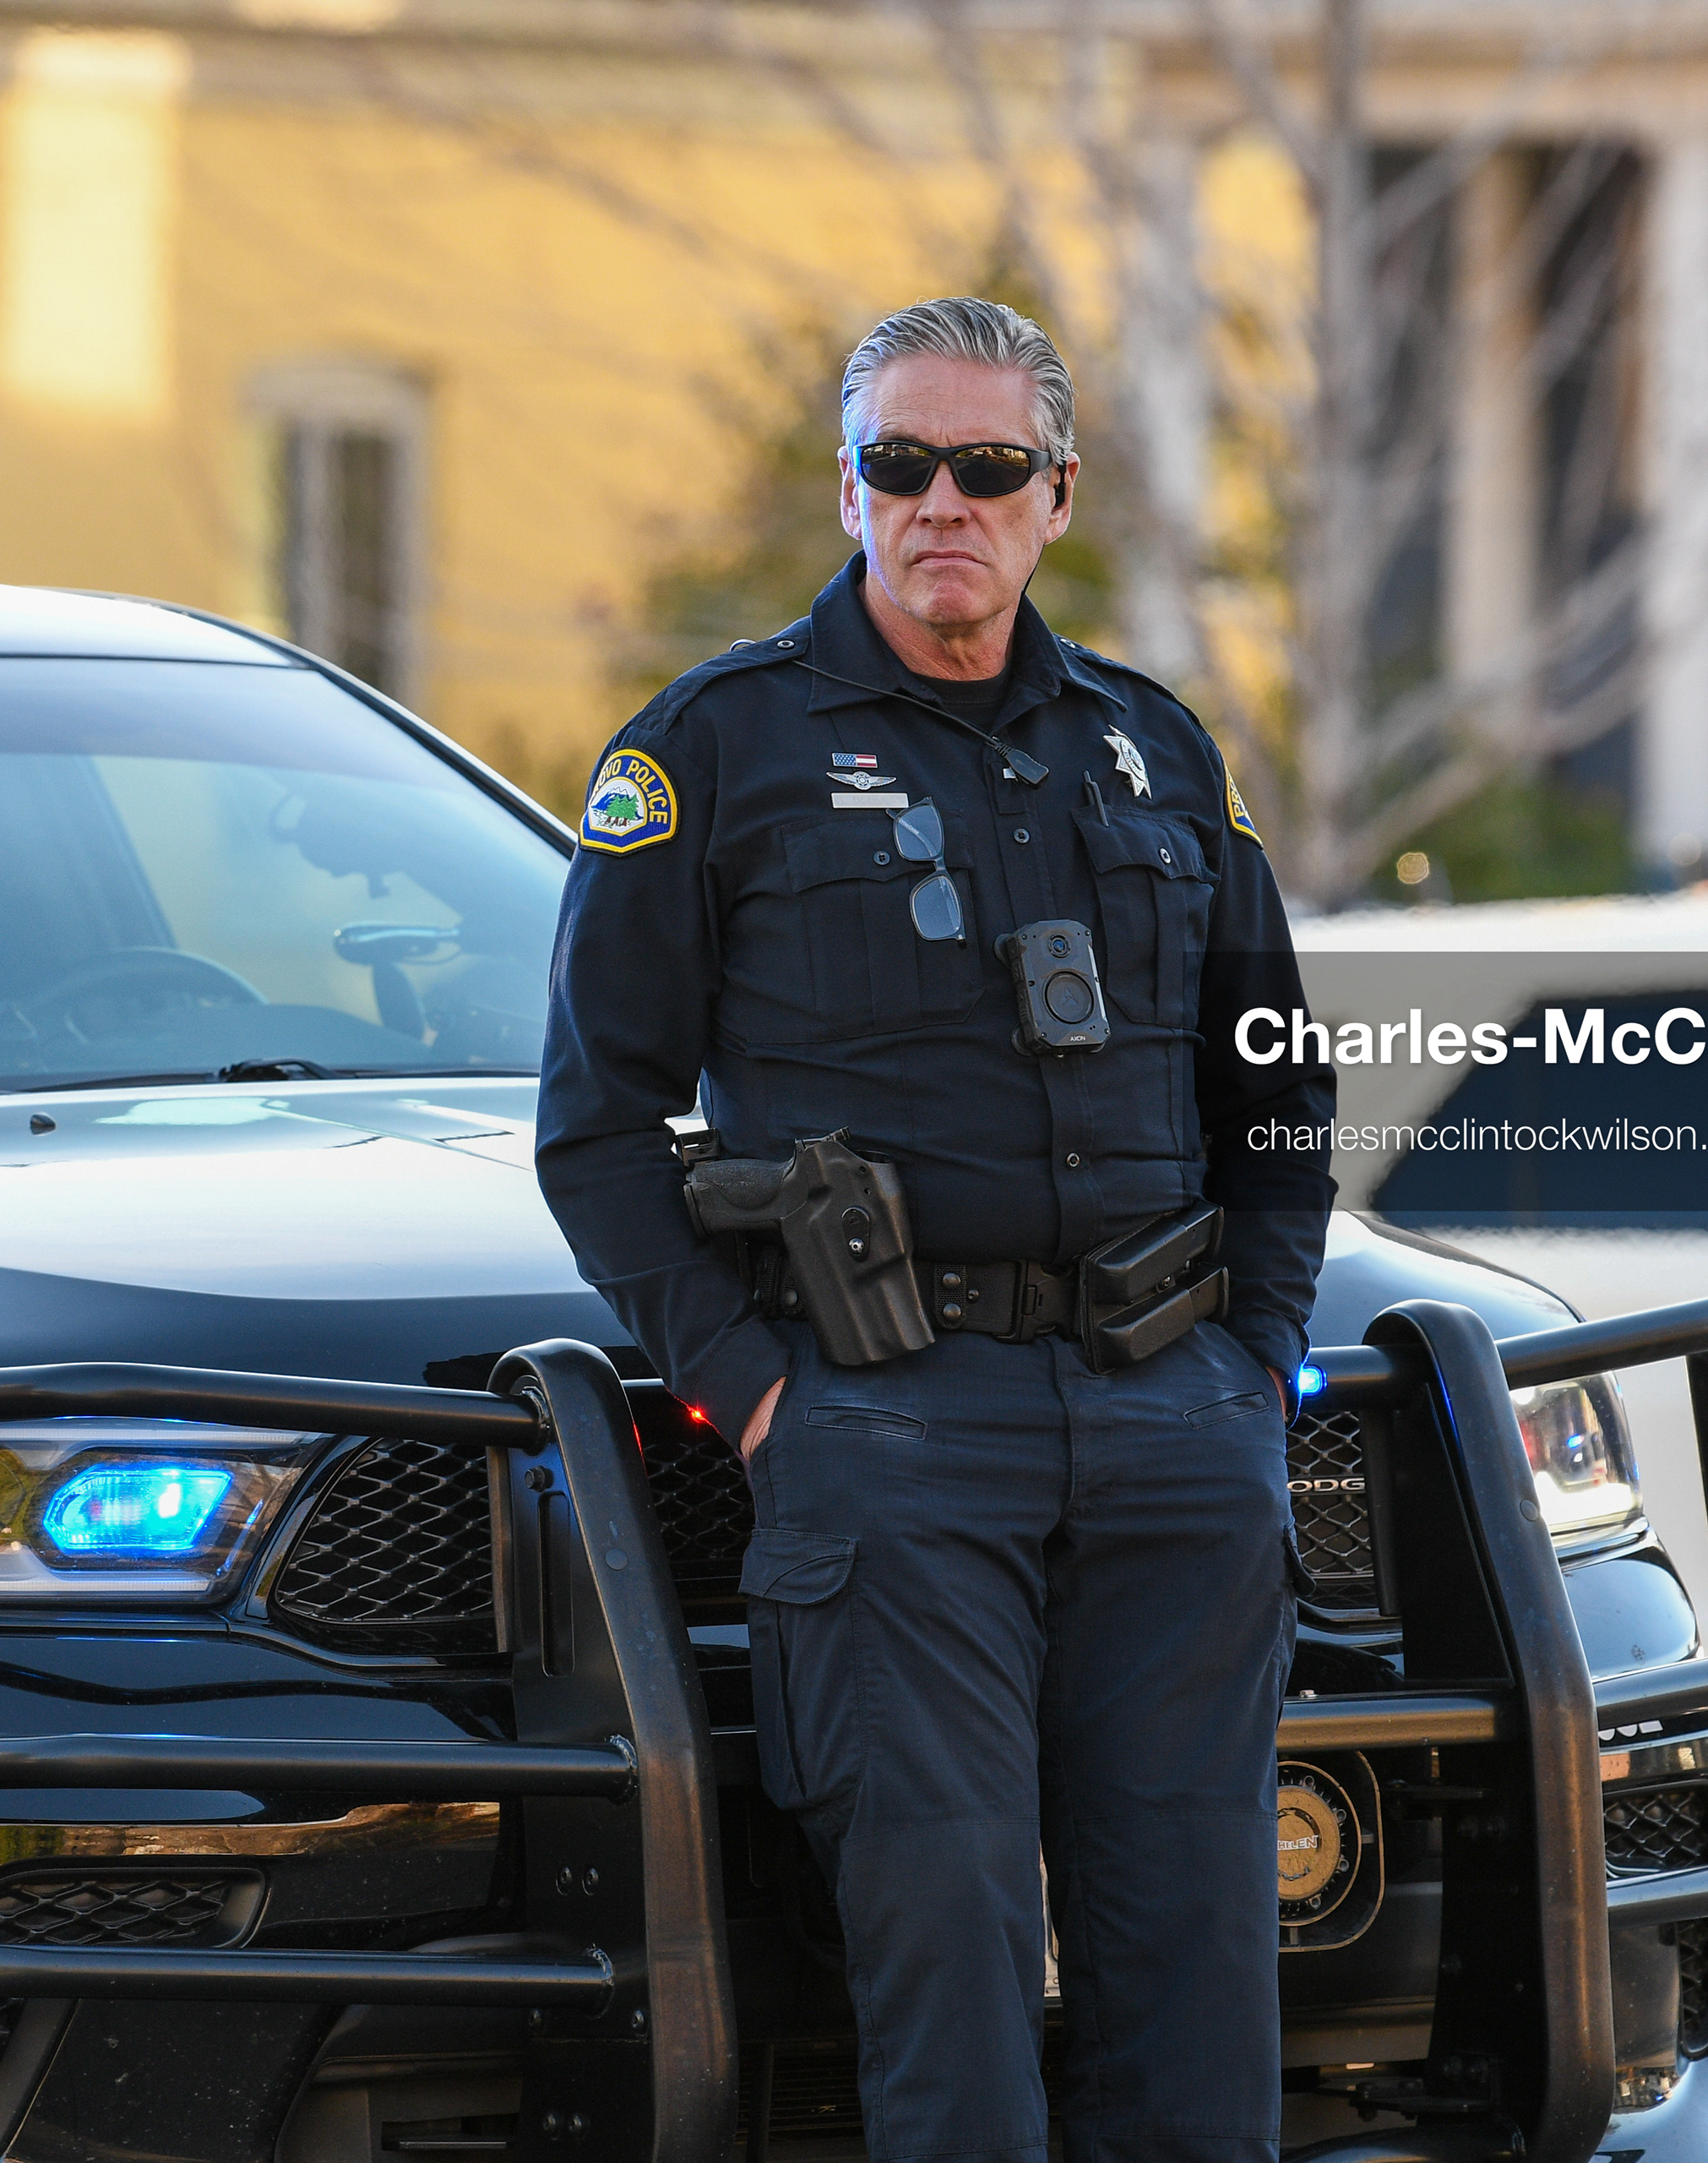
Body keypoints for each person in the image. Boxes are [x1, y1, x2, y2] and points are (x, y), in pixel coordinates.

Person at [534, 296, 1336, 2163]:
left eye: (986, 468)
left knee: (1200, 1987)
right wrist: (757, 1393)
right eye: (902, 464)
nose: (941, 501)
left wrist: (1258, 1372)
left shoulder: (1155, 752)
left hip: (1171, 1427)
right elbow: (598, 1126)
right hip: (889, 1440)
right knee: (951, 1988)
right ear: (849, 487)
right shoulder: (710, 752)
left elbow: (1277, 1095)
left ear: (1057, 496)